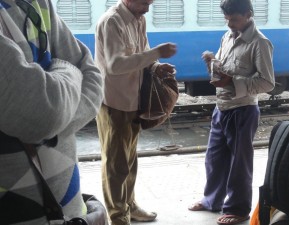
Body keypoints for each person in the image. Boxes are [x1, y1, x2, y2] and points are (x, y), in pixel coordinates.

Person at [0, 0, 105, 224]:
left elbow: (94, 78)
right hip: (17, 213)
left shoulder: (39, 2)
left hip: (68, 208)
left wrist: (53, 122)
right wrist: (68, 70)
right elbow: (40, 114)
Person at [188, 0, 275, 224]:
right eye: (227, 19)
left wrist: (231, 81)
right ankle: (212, 201)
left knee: (239, 163)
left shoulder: (260, 43)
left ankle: (238, 209)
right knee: (214, 159)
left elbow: (267, 83)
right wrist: (213, 63)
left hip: (243, 110)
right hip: (222, 108)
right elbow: (225, 70)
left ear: (248, 14)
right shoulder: (227, 36)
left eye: (234, 19)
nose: (230, 24)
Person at [94, 0, 177, 224]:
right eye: (143, 3)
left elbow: (143, 54)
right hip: (114, 101)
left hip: (133, 99)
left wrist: (156, 65)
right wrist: (157, 52)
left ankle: (129, 206)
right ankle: (118, 216)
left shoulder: (138, 19)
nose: (147, 8)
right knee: (115, 163)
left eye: (150, 3)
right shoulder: (112, 21)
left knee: (129, 160)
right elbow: (115, 65)